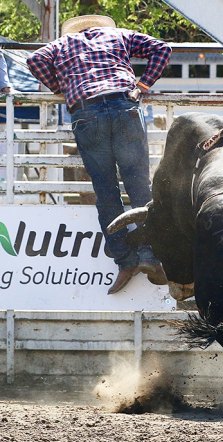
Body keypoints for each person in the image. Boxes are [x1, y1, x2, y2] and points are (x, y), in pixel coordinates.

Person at [27, 15, 171, 294]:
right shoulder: (119, 36)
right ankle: (149, 255)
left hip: (86, 112)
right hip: (123, 105)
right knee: (139, 185)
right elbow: (162, 48)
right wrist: (143, 85)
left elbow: (34, 61)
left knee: (105, 191)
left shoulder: (61, 44)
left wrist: (60, 87)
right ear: (103, 26)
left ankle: (125, 260)